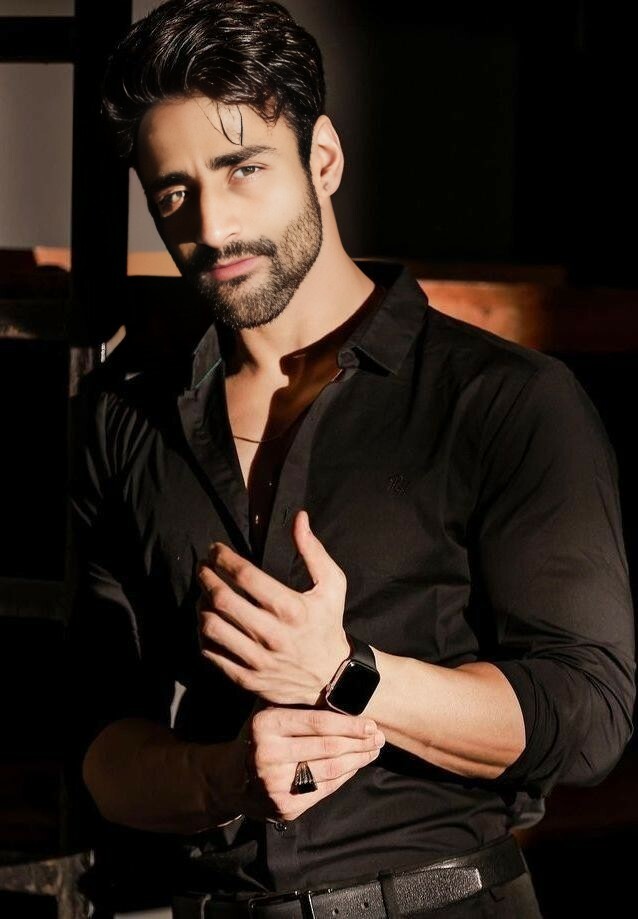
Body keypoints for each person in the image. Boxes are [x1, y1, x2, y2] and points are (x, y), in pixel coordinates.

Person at [65, 1, 636, 917]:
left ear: (322, 158)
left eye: (244, 169)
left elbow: (589, 715)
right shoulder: (122, 417)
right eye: (173, 193)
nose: (211, 224)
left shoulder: (505, 401)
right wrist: (221, 778)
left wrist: (347, 672)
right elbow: (99, 748)